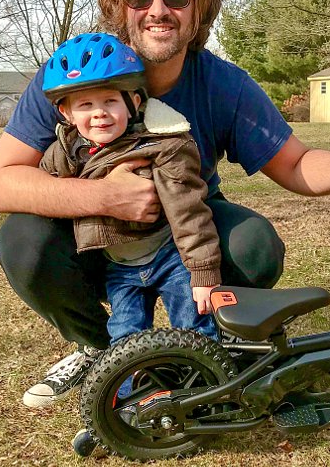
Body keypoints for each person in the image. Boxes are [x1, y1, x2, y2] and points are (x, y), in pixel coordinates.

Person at [0, 0, 330, 409]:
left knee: (254, 244)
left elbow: (296, 163)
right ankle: (98, 349)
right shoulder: (72, 75)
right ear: (121, 2)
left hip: (186, 231)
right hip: (94, 237)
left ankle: (197, 349)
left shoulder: (224, 84)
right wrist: (107, 197)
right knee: (22, 240)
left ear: (199, 8)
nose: (158, 8)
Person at [38, 32, 219, 363]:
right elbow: (43, 185)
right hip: (119, 267)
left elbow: (188, 211)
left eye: (110, 101)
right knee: (124, 341)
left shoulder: (161, 146)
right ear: (66, 113)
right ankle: (129, 401)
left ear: (134, 102)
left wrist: (204, 273)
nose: (99, 114)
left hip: (169, 257)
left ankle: (209, 393)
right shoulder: (66, 152)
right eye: (85, 105)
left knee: (196, 329)